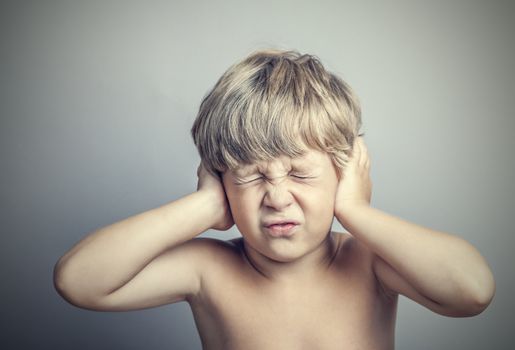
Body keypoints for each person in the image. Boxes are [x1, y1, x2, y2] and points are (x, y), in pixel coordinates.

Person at [54, 49, 495, 350]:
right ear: (221, 182)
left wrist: (356, 212)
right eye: (250, 177)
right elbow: (79, 280)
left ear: (343, 174)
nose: (277, 198)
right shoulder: (208, 270)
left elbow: (472, 291)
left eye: (301, 173)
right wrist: (205, 207)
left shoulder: (369, 263)